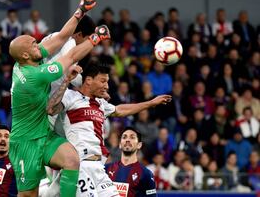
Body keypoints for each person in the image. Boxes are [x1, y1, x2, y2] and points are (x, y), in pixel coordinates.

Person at [8, 0, 100, 197]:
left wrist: (80, 11)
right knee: (28, 195)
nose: (38, 45)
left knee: (71, 160)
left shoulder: (27, 61)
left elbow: (61, 38)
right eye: (34, 44)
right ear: (25, 55)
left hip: (44, 133)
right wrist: (95, 38)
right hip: (25, 143)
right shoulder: (35, 76)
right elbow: (71, 57)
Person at [47, 62, 170, 196]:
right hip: (80, 165)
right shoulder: (71, 97)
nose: (107, 86)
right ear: (88, 80)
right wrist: (66, 80)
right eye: (103, 81)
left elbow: (120, 110)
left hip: (99, 167)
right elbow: (51, 109)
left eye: (107, 82)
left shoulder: (100, 103)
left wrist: (151, 103)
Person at [105, 127, 157, 197]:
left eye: (132, 137)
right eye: (124, 137)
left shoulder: (146, 174)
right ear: (120, 144)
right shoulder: (106, 169)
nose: (127, 140)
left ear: (139, 145)